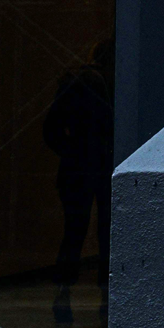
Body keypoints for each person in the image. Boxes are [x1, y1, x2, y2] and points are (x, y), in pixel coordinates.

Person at [44, 38, 115, 289]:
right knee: (107, 228)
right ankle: (105, 286)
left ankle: (64, 287)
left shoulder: (75, 82)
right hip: (104, 163)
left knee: (74, 229)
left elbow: (51, 129)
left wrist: (73, 151)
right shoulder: (115, 82)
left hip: (78, 165)